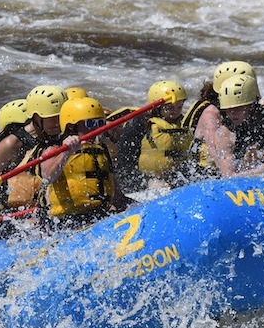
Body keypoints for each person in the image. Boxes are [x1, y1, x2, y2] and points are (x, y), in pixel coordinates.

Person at [39, 96, 129, 225]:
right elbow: (48, 177)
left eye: (100, 123)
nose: (97, 129)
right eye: (90, 124)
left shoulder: (100, 149)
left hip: (100, 215)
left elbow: (117, 195)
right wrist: (66, 152)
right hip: (68, 222)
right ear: (71, 126)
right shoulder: (54, 150)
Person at [207, 73, 264, 177]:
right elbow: (229, 177)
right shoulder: (225, 134)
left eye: (238, 108)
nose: (233, 113)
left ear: (252, 105)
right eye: (228, 109)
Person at [114, 80, 189, 190]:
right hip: (144, 182)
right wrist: (144, 181)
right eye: (170, 108)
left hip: (176, 180)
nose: (175, 112)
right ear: (157, 107)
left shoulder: (183, 124)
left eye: (179, 107)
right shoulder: (141, 124)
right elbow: (125, 160)